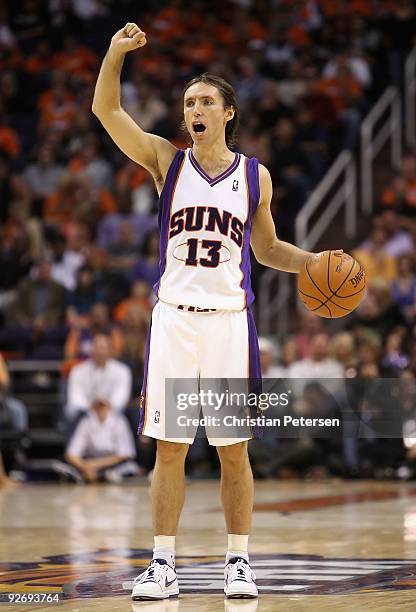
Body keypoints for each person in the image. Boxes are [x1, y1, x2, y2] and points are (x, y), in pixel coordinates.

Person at [92, 22, 342, 601]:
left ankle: (238, 562)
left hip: (231, 322)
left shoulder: (255, 176)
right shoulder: (165, 161)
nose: (194, 109)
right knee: (170, 447)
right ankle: (162, 564)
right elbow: (106, 109)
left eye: (205, 101)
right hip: (175, 320)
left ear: (228, 113)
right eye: (188, 103)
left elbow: (268, 249)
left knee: (234, 449)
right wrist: (114, 52)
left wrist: (318, 264)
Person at [65, 398, 138, 483]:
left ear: (109, 407)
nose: (101, 410)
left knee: (128, 469)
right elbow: (71, 454)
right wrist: (85, 467)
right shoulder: (86, 422)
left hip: (114, 465)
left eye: (103, 407)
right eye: (98, 407)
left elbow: (124, 454)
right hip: (89, 462)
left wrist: (96, 464)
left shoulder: (119, 422)